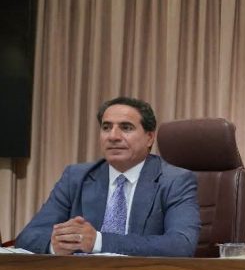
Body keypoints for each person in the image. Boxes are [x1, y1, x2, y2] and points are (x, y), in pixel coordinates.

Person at [15, 97, 200, 257]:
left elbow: (181, 245)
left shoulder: (174, 181)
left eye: (126, 128)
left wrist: (98, 241)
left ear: (149, 138)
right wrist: (56, 245)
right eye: (106, 127)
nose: (113, 136)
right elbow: (28, 237)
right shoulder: (76, 177)